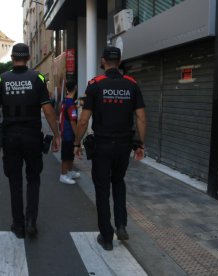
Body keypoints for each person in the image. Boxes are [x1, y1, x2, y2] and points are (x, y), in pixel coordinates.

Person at [74, 46, 146, 251]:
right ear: (120, 61)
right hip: (124, 145)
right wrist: (140, 143)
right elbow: (141, 117)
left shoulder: (95, 85)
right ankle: (122, 224)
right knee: (119, 182)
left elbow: (84, 120)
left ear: (103, 61)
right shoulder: (132, 85)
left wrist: (77, 143)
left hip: (102, 146)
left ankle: (106, 236)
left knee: (102, 189)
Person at [0, 43, 60, 239]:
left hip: (10, 137)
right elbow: (47, 110)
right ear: (28, 58)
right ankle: (31, 222)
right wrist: (57, 134)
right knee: (33, 179)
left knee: (14, 181)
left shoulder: (2, 79)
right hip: (32, 136)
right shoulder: (36, 78)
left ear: (12, 58)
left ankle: (18, 225)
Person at [59, 79, 80, 184]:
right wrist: (78, 136)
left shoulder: (65, 101)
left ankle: (70, 172)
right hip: (68, 133)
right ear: (75, 88)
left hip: (64, 131)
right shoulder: (70, 104)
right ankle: (63, 175)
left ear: (66, 89)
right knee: (66, 155)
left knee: (70, 154)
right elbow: (73, 122)